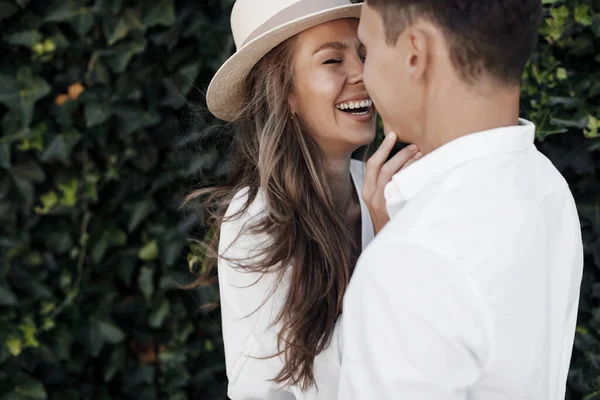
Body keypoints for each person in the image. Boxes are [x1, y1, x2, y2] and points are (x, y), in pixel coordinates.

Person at [338, 1, 584, 399]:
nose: (363, 76)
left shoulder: (411, 261)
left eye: (366, 51)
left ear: (415, 52)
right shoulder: (548, 187)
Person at [187, 0, 420, 399]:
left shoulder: (391, 193)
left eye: (364, 54)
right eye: (333, 61)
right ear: (285, 93)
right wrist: (386, 246)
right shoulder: (256, 223)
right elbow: (320, 385)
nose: (362, 73)